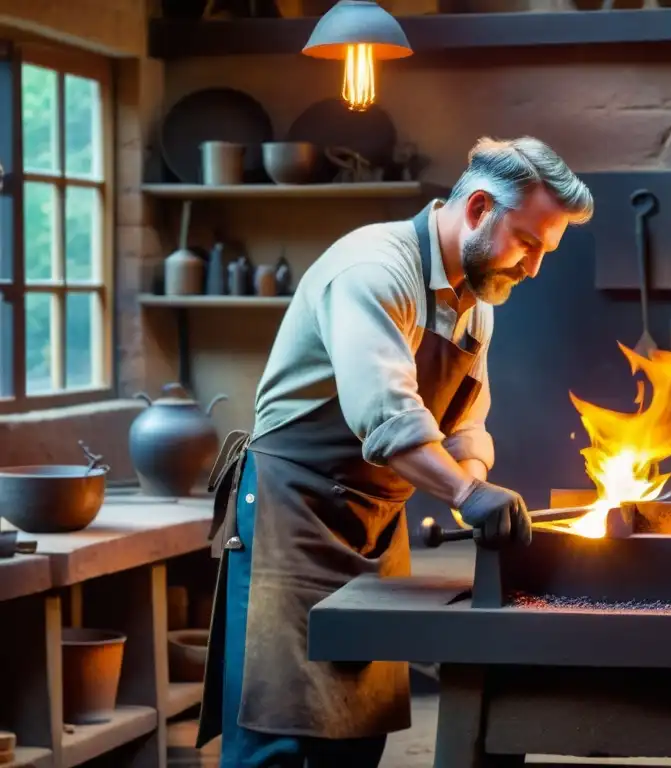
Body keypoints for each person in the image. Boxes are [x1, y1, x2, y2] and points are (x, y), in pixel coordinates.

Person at [195, 136, 594, 768]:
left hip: (376, 524)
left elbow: (464, 423)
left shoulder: (475, 304)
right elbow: (387, 416)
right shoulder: (374, 271)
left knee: (358, 734)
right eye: (528, 243)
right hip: (291, 515)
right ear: (480, 207)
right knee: (277, 736)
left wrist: (475, 479)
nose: (533, 267)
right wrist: (466, 494)